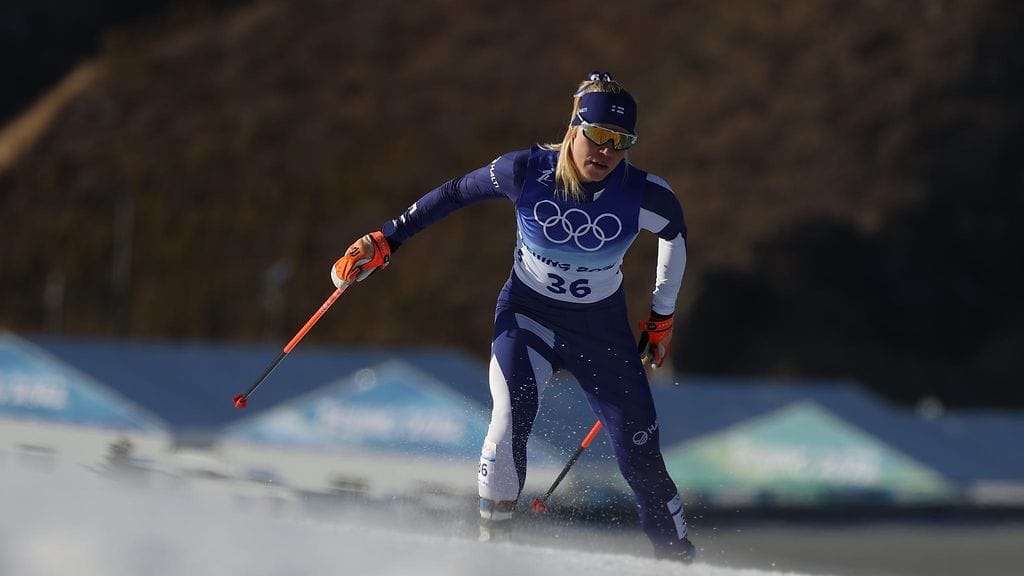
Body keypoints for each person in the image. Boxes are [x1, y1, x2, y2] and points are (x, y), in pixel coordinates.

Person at [330, 71, 695, 563]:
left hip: (599, 331)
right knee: (506, 423)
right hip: (529, 315)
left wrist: (662, 317)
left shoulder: (643, 193)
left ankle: (676, 559)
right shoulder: (525, 171)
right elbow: (456, 192)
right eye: (598, 136)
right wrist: (386, 238)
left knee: (639, 457)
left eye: (621, 142)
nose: (606, 152)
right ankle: (492, 556)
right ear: (573, 127)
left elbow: (674, 233)